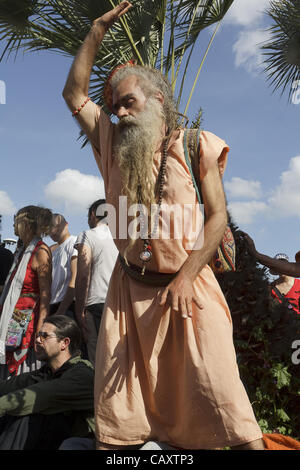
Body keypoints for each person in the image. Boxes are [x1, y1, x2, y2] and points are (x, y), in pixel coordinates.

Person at [62, 2, 264, 450]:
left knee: (223, 397)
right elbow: (75, 96)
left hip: (190, 293)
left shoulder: (195, 145)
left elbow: (216, 217)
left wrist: (188, 275)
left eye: (129, 103)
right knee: (120, 415)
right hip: (127, 298)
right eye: (114, 108)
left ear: (158, 99)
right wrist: (95, 31)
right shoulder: (111, 145)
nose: (120, 114)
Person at [0, 315, 95, 450]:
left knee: (24, 414)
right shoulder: (44, 373)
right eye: (38, 335)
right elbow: (7, 387)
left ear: (64, 343)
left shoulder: (81, 374)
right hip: (55, 438)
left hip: (84, 442)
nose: (38, 340)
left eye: (45, 336)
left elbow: (40, 395)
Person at [0, 206, 52, 378]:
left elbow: (45, 294)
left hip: (27, 320)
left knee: (22, 369)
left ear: (27, 225)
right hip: (12, 316)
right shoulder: (22, 251)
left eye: (17, 221)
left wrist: (40, 329)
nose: (13, 225)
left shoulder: (41, 251)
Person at [74, 199, 118, 365]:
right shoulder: (123, 237)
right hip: (120, 303)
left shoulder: (88, 235)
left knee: (97, 360)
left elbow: (83, 275)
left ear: (93, 214)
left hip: (96, 304)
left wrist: (79, 311)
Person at [49, 213, 78, 317]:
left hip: (66, 306)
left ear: (66, 224)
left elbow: (76, 277)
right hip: (53, 305)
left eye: (55, 226)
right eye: (49, 228)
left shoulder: (74, 242)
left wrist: (62, 309)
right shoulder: (53, 251)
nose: (52, 231)